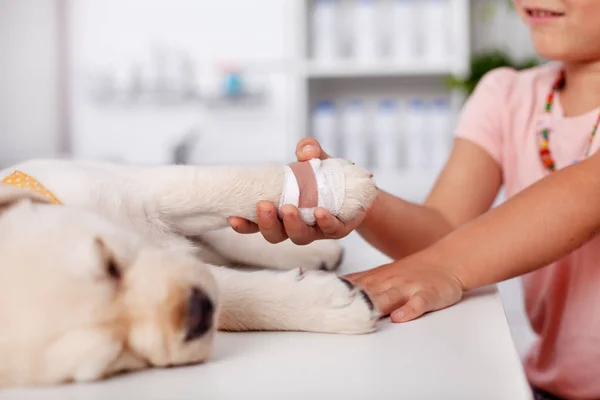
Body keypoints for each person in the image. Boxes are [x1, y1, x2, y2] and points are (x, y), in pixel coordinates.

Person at [228, 1, 600, 399]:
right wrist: (356, 197)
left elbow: (586, 190)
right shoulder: (508, 96)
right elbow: (443, 233)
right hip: (550, 388)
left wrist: (444, 266)